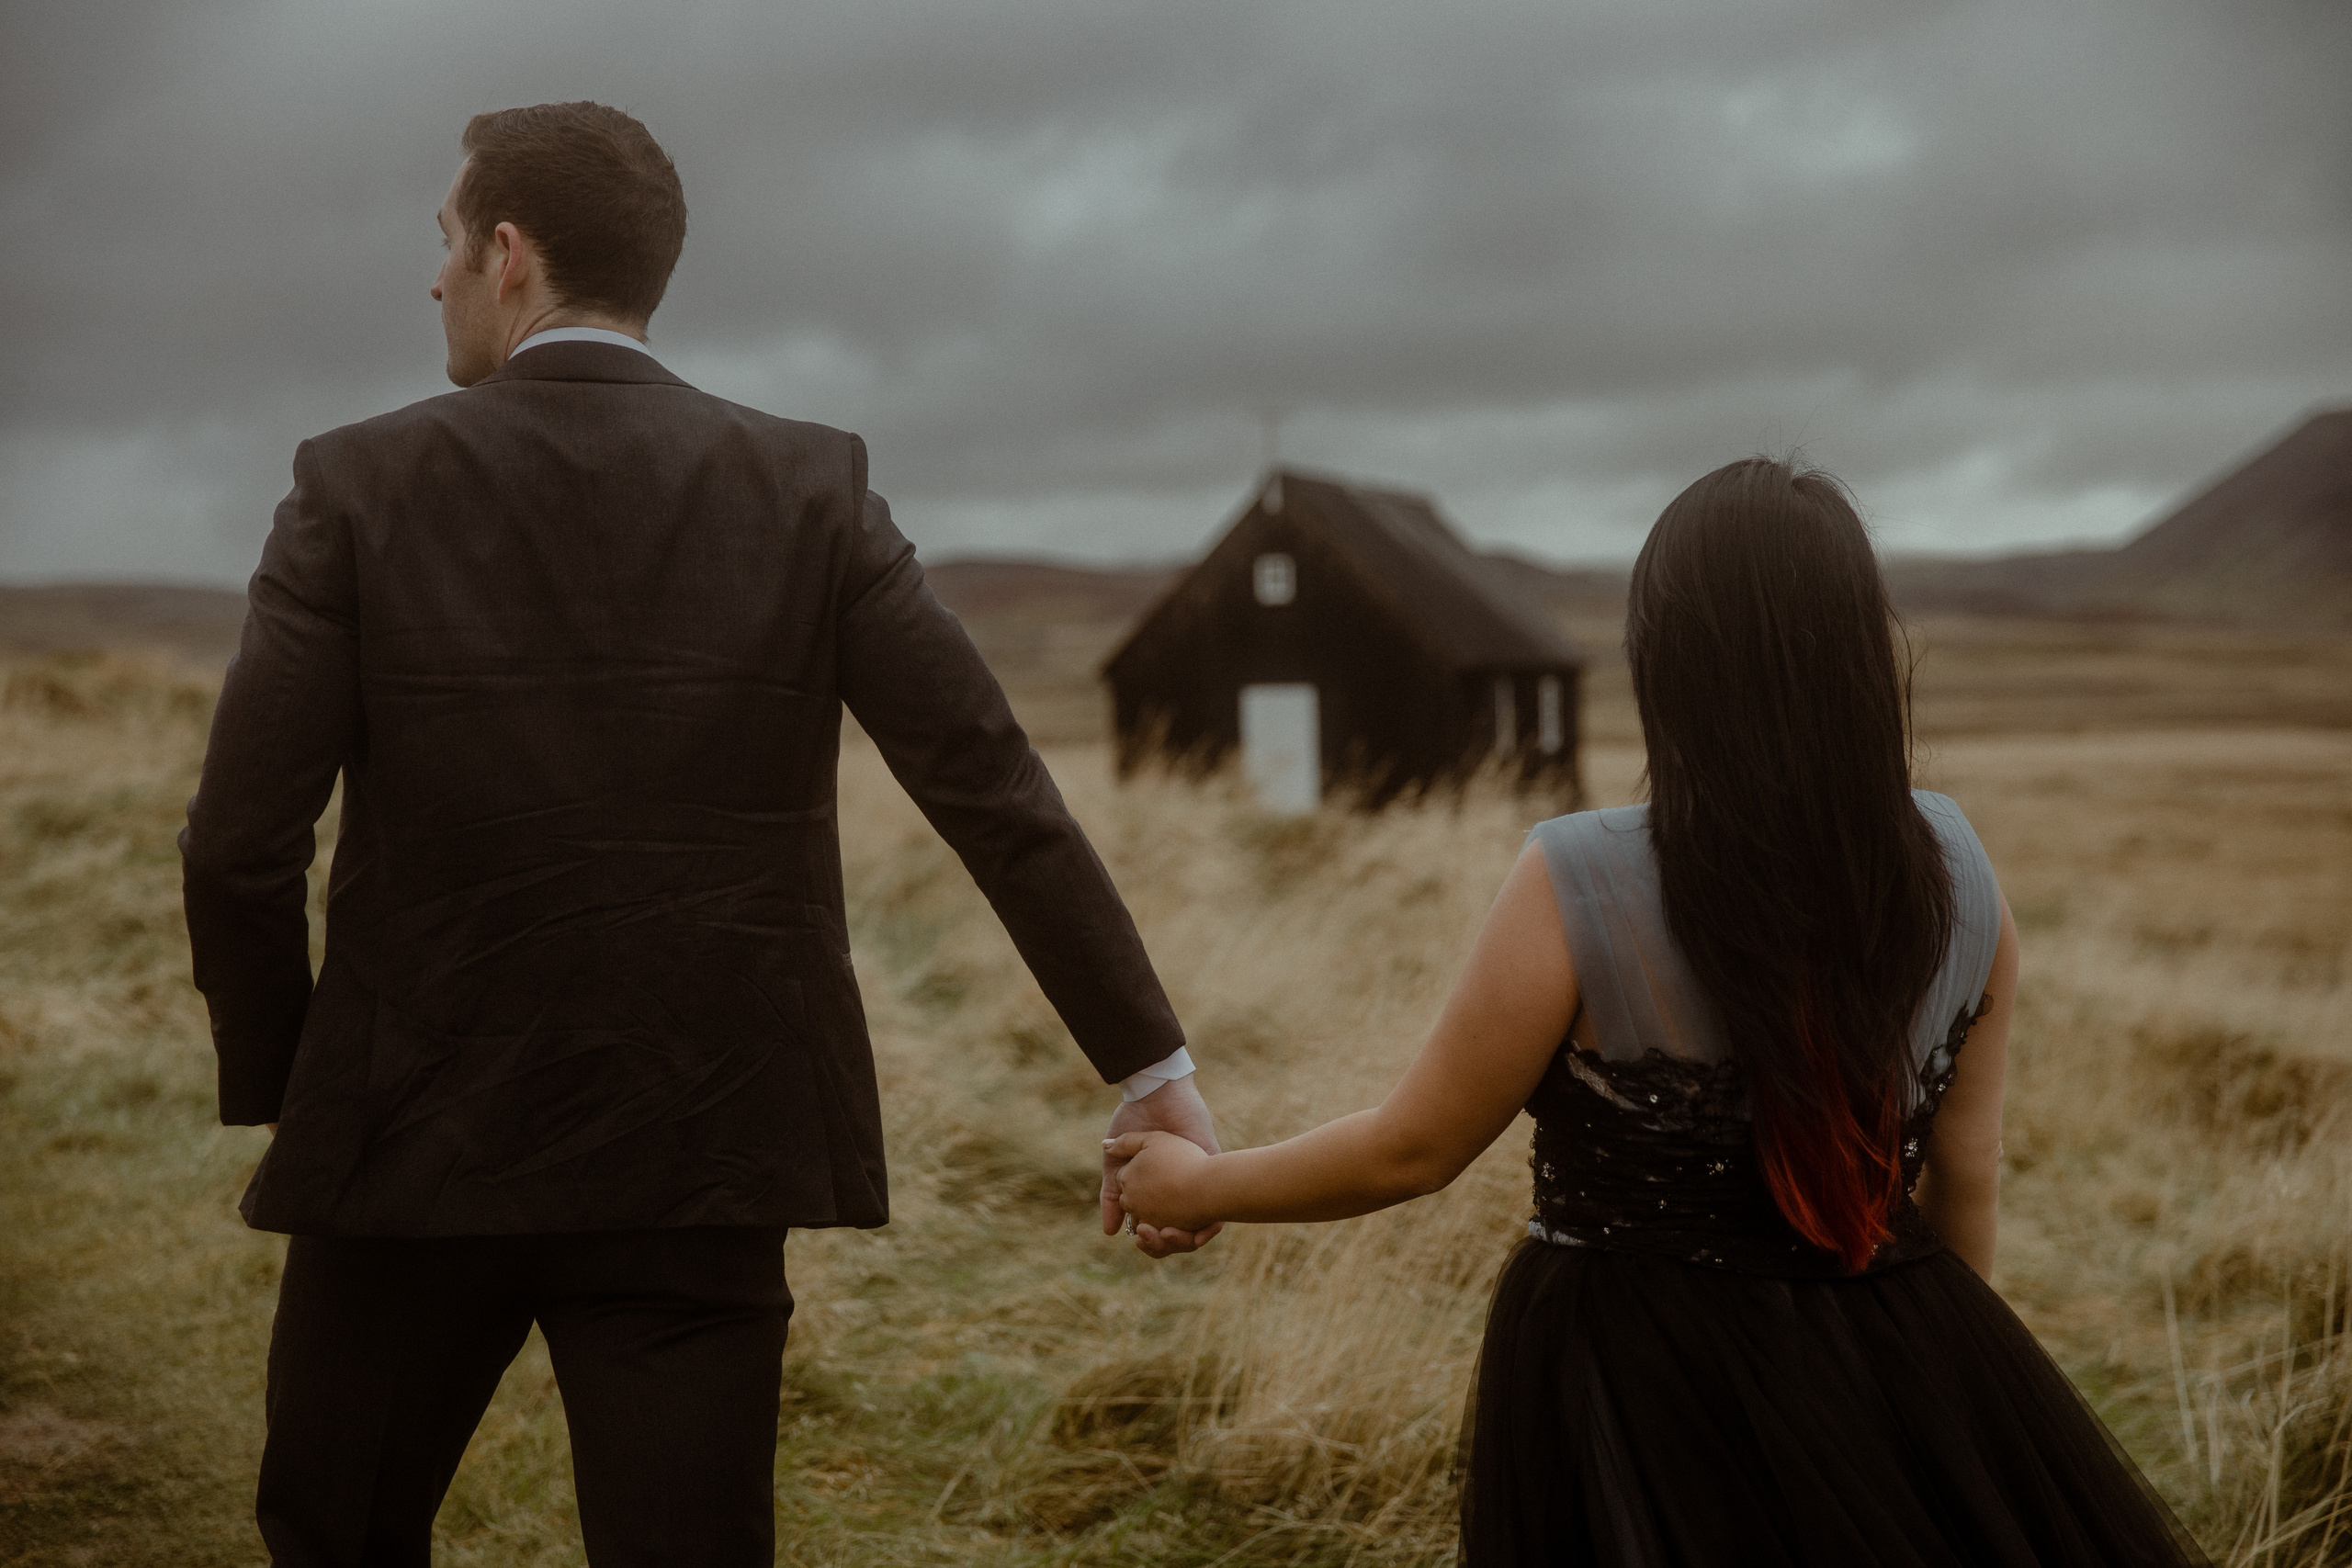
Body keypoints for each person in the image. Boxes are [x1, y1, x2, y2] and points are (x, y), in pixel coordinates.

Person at [178, 101, 1218, 1568]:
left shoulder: (355, 485)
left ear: (510, 253)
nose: (434, 281)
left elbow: (235, 841)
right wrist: (1149, 1065)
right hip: (705, 1143)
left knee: (338, 1532)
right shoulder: (811, 489)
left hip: (407, 1146)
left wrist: (305, 1085)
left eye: (443, 245)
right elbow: (991, 787)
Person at [1110, 457, 2210, 1564]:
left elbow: (1413, 1149)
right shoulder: (1959, 870)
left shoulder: (1576, 878)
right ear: (1859, 657)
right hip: (1893, 1333)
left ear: (1669, 661)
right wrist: (1946, 1404)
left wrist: (1200, 1183)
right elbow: (1966, 1168)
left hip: (1627, 1388)